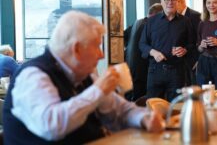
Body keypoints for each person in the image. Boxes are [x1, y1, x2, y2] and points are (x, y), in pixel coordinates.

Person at [3, 11, 164, 144]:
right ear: (77, 49)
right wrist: (98, 90)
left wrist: (144, 118)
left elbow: (120, 110)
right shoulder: (33, 76)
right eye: (97, 46)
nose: (101, 55)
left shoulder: (83, 76)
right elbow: (52, 126)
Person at [139, 0, 195, 101]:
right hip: (155, 71)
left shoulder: (186, 21)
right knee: (154, 108)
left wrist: (185, 50)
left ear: (177, 2)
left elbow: (192, 44)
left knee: (175, 109)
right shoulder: (151, 21)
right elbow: (142, 44)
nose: (170, 2)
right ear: (161, 1)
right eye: (167, 0)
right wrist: (153, 52)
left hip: (177, 72)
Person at [125, 3, 163, 101]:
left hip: (130, 68)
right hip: (145, 71)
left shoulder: (136, 23)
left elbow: (123, 38)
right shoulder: (153, 26)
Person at [176, 0, 201, 85]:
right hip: (181, 62)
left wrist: (198, 60)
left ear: (181, 2)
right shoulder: (176, 17)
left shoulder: (195, 16)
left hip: (193, 61)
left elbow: (200, 38)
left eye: (174, 1)